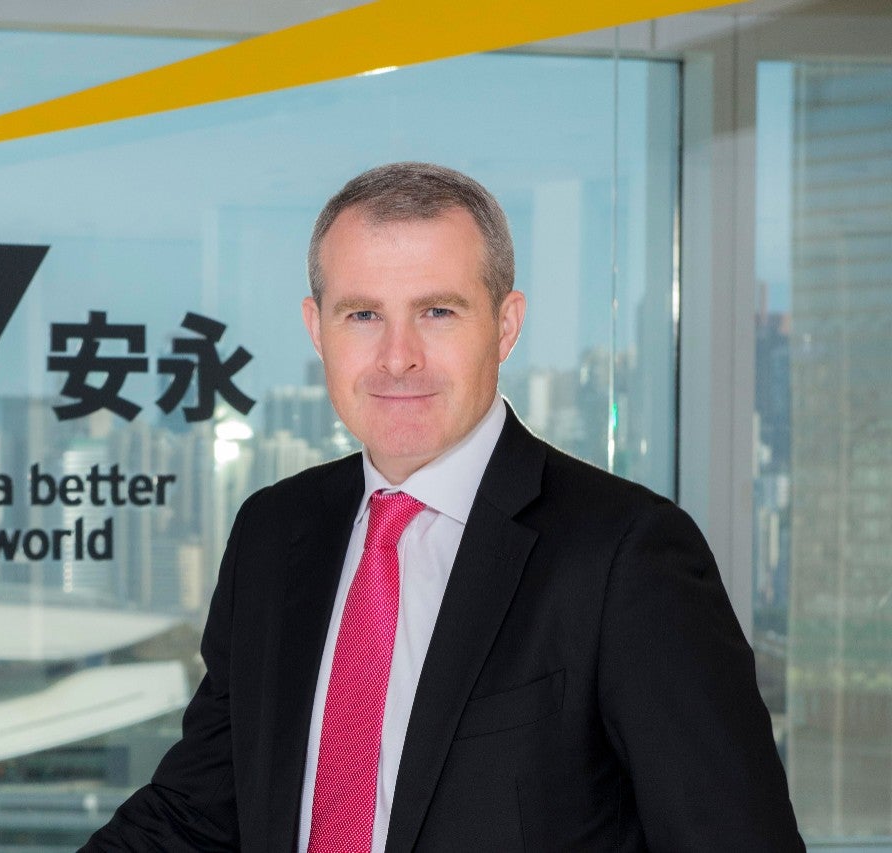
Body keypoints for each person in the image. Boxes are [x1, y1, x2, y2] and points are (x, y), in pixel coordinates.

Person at [82, 162, 802, 852]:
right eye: (363, 314)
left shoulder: (625, 554)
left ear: (506, 325)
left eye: (437, 311)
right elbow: (196, 815)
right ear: (317, 328)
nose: (398, 356)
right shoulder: (273, 533)